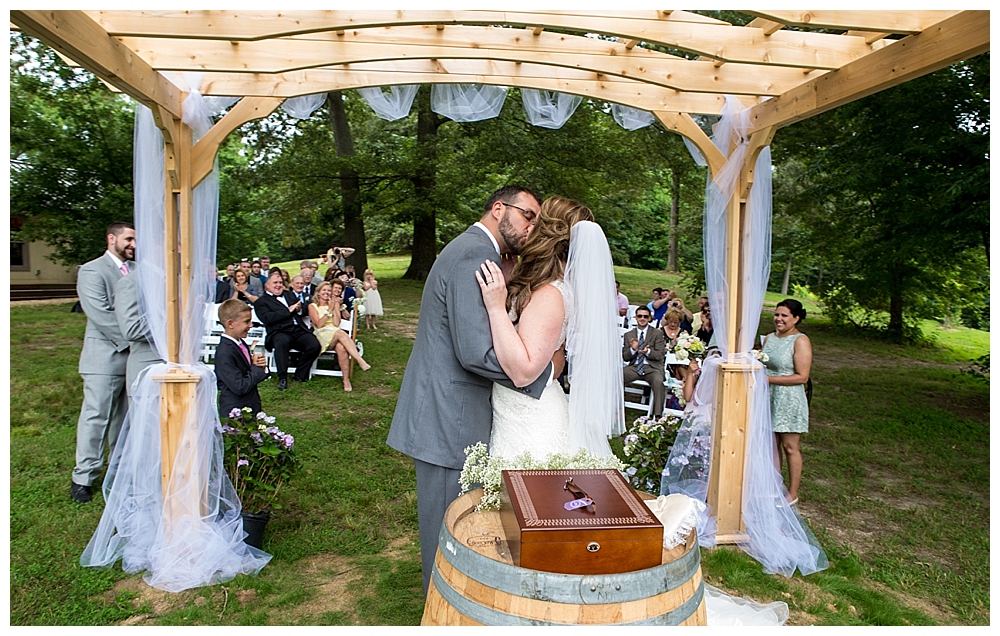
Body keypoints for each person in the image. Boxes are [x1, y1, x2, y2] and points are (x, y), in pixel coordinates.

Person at [387, 185, 550, 595]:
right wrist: (534, 375)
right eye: (528, 215)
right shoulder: (476, 254)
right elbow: (474, 352)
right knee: (447, 533)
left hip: (448, 412)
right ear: (499, 209)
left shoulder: (478, 250)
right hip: (448, 418)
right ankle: (440, 614)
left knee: (455, 528)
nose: (532, 226)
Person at [476, 195, 624, 463]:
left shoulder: (550, 294)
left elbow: (523, 372)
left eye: (535, 220)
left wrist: (497, 307)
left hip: (531, 423)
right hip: (518, 412)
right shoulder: (545, 286)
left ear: (546, 233)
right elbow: (551, 353)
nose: (528, 226)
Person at [71, 222, 135, 504]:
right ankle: (84, 477)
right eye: (129, 238)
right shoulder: (92, 270)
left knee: (124, 419)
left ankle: (118, 473)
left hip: (132, 359)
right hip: (104, 357)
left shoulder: (135, 271)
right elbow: (100, 314)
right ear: (112, 239)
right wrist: (135, 340)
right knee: (96, 417)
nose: (134, 244)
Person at [761, 299, 813, 505]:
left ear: (796, 318)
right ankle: (774, 486)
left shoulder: (800, 341)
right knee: (772, 445)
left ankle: (792, 493)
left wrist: (768, 380)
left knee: (790, 446)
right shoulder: (770, 338)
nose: (779, 319)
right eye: (777, 314)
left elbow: (802, 377)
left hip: (789, 398)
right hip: (768, 396)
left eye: (784, 316)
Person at [254, 270, 321, 390]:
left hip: (297, 329)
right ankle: (282, 377)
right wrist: (288, 311)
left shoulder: (289, 294)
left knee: (314, 345)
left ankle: (299, 375)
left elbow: (304, 310)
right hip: (279, 331)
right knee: (282, 342)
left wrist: (300, 309)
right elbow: (268, 318)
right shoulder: (261, 302)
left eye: (280, 282)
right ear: (267, 285)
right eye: (275, 282)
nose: (278, 285)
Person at [309, 280, 371, 392]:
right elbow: (319, 324)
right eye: (324, 290)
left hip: (335, 332)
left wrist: (335, 307)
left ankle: (346, 380)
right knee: (340, 333)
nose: (326, 292)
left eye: (328, 290)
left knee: (341, 348)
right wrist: (329, 310)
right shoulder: (312, 306)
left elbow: (336, 323)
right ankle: (359, 360)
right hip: (321, 334)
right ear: (318, 292)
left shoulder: (334, 303)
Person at [115, 262, 165, 398]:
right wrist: (176, 320)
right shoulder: (132, 282)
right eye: (178, 245)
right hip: (149, 368)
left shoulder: (178, 279)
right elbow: (132, 328)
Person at [215, 299, 270, 418]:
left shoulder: (240, 343)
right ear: (230, 324)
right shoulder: (225, 352)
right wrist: (256, 369)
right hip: (235, 411)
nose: (250, 325)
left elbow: (246, 372)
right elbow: (239, 387)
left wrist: (260, 366)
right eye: (246, 322)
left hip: (250, 405)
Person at [621, 305, 667, 417]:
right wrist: (633, 349)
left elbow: (660, 355)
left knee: (658, 382)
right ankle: (617, 409)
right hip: (635, 367)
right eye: (640, 316)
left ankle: (657, 416)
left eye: (645, 316)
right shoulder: (629, 335)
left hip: (652, 368)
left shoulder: (657, 333)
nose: (642, 318)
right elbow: (625, 357)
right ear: (635, 317)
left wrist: (647, 352)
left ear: (649, 318)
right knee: (617, 376)